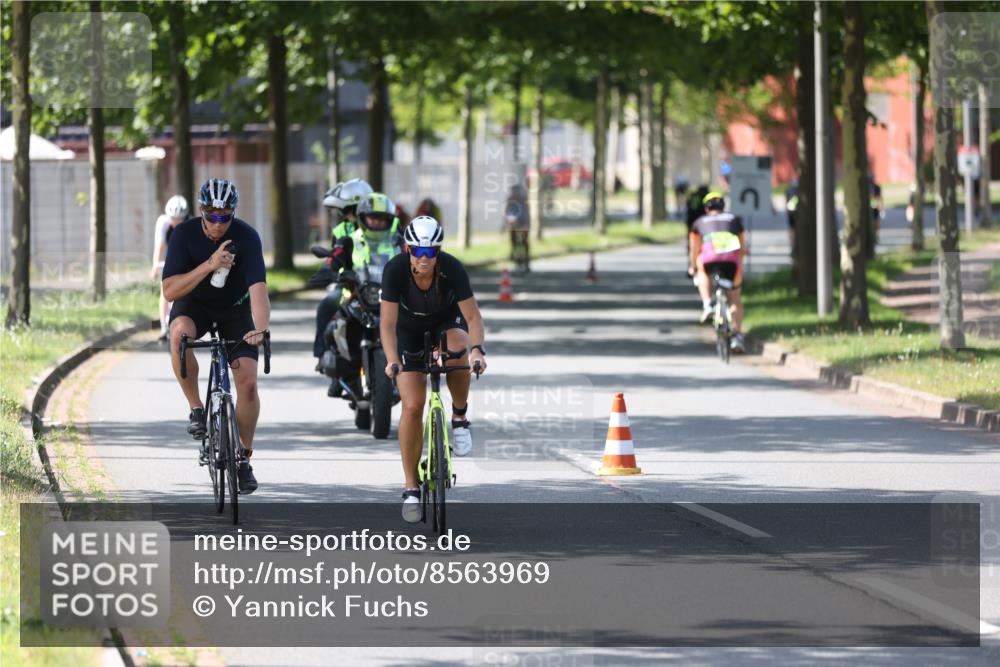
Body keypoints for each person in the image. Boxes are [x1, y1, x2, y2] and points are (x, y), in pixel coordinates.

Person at [162, 178, 270, 494]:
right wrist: (209, 264)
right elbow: (169, 291)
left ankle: (243, 457)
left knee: (248, 384)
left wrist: (260, 329)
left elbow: (259, 291)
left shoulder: (247, 237)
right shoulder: (184, 235)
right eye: (212, 215)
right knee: (179, 334)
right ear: (202, 212)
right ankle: (197, 407)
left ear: (233, 214)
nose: (218, 223)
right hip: (194, 304)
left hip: (235, 310)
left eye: (225, 216)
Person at [378, 216, 487, 523]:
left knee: (459, 351)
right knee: (412, 406)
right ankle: (411, 487)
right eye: (417, 252)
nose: (424, 259)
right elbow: (386, 324)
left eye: (430, 252)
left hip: (447, 320)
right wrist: (391, 359)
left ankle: (460, 416)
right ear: (407, 249)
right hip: (408, 330)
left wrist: (478, 350)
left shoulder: (452, 268)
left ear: (438, 251)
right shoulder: (395, 270)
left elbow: (474, 318)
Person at [311, 192, 404, 397]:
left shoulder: (399, 241)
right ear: (362, 218)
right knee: (337, 324)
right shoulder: (349, 240)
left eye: (382, 219)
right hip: (356, 295)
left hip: (390, 298)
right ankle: (339, 372)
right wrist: (328, 272)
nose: (377, 222)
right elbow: (334, 258)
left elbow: (412, 259)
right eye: (373, 217)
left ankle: (410, 373)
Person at [313, 178, 373, 395]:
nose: (345, 215)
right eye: (344, 211)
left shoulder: (380, 224)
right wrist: (328, 272)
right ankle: (327, 361)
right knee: (327, 306)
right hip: (349, 284)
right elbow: (335, 255)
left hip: (377, 285)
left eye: (348, 210)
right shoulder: (342, 230)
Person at [688, 191, 747, 353]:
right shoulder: (734, 220)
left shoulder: (699, 223)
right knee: (735, 298)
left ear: (706, 208)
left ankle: (707, 304)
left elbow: (694, 249)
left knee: (701, 269)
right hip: (731, 262)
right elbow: (742, 248)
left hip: (709, 260)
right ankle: (737, 336)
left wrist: (692, 266)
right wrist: (740, 268)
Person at [150, 195, 189, 343]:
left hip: (183, 256)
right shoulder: (163, 223)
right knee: (164, 289)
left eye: (180, 219)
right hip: (169, 257)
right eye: (173, 219)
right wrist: (155, 266)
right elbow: (159, 247)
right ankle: (163, 327)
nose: (176, 222)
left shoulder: (189, 222)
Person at [503, 184, 530, 271]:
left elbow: (526, 213)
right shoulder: (509, 200)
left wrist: (526, 224)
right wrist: (507, 223)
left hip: (522, 225)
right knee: (514, 244)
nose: (515, 193)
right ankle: (517, 261)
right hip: (513, 225)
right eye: (514, 191)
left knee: (523, 244)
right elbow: (506, 213)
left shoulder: (523, 199)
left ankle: (525, 262)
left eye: (516, 191)